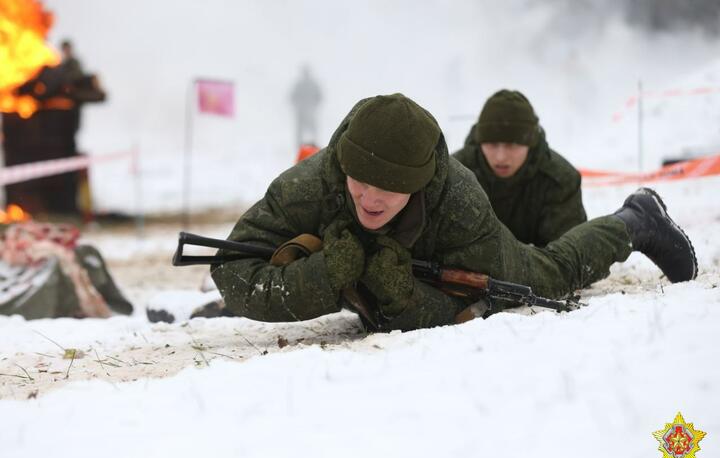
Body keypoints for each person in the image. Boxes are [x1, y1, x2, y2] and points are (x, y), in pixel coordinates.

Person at [211, 93, 697, 332]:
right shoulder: (310, 185)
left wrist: (404, 300)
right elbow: (232, 269)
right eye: (359, 182)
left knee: (551, 274)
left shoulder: (458, 203)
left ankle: (635, 219)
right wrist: (323, 275)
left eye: (390, 189)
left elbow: (479, 307)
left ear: (419, 184)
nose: (369, 199)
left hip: (461, 250)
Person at [453, 89, 586, 246]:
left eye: (512, 145)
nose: (500, 157)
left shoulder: (559, 179)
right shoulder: (455, 175)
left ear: (530, 144)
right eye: (492, 144)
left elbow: (570, 254)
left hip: (540, 268)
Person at [290, 65, 323, 149]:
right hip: (302, 111)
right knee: (301, 130)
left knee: (312, 130)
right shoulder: (299, 85)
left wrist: (314, 105)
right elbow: (293, 97)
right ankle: (299, 147)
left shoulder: (312, 84)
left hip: (310, 110)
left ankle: (313, 146)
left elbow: (319, 97)